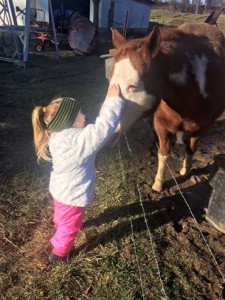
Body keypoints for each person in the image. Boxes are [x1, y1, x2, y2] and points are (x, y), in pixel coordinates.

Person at [31, 84, 124, 264]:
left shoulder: (58, 136)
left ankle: (60, 226)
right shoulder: (80, 140)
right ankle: (59, 255)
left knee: (62, 216)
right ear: (71, 120)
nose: (84, 115)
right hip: (73, 194)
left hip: (60, 190)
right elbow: (103, 127)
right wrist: (113, 100)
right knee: (70, 226)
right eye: (80, 113)